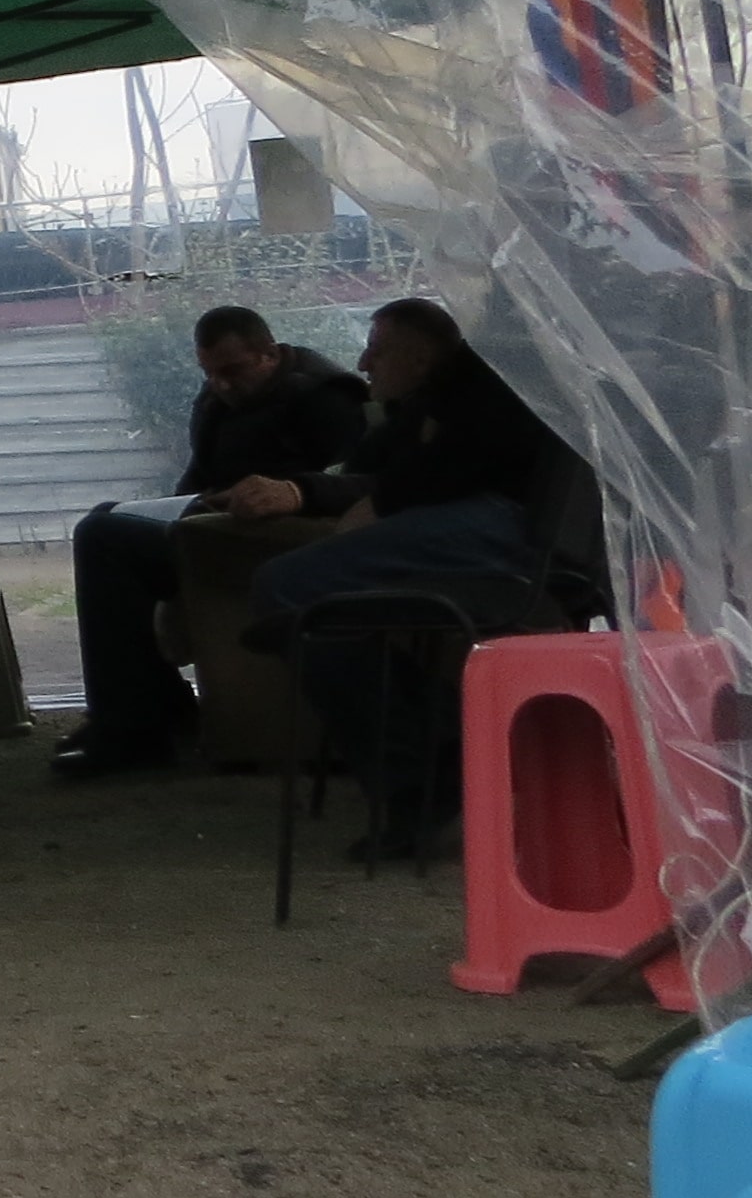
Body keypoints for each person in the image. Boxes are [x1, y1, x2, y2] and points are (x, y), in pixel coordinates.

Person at [238, 297, 575, 849]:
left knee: (289, 587)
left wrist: (382, 500)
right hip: (503, 527)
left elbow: (443, 468)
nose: (364, 363)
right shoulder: (433, 401)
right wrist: (313, 491)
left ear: (420, 359)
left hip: (509, 530)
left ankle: (423, 767)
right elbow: (369, 474)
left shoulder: (487, 382)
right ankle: (439, 741)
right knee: (298, 596)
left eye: (377, 349)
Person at [50, 307, 370, 780]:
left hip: (267, 541)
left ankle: (133, 728)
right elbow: (199, 477)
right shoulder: (224, 400)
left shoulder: (326, 400)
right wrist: (190, 505)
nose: (219, 384)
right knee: (106, 521)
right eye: (210, 373)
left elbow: (344, 484)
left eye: (231, 371)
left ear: (269, 353)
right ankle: (146, 709)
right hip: (216, 527)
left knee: (102, 538)